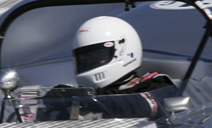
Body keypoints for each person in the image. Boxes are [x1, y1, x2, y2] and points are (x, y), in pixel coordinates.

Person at [43, 16, 175, 120]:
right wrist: (54, 101)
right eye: (85, 59)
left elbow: (140, 105)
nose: (89, 63)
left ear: (122, 49)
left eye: (96, 57)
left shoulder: (158, 84)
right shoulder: (81, 96)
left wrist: (87, 98)